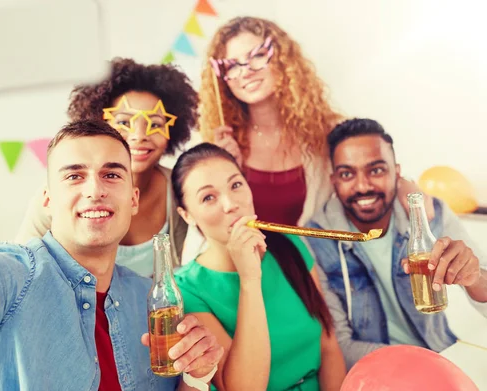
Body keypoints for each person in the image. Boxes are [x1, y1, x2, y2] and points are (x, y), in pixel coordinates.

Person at [0, 1, 223, 390]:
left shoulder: (144, 300)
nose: (94, 189)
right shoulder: (11, 277)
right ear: (46, 199)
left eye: (111, 174)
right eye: (74, 175)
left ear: (132, 198)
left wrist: (199, 377)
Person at [197, 16, 431, 228]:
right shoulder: (221, 142)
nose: (245, 72)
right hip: (246, 269)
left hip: (314, 269)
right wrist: (223, 169)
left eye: (257, 56)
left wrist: (406, 185)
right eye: (232, 65)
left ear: (281, 59)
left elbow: (373, 169)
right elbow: (206, 221)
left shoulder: (326, 131)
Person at [305, 118, 487, 369]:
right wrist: (418, 365)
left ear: (397, 172)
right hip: (376, 373)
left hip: (443, 358)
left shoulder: (431, 214)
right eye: (347, 173)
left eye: (376, 170)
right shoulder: (316, 240)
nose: (363, 186)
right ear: (334, 180)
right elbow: (338, 347)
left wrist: (474, 277)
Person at [170, 143, 346, 391]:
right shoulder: (186, 289)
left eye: (236, 185)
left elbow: (328, 347)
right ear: (187, 214)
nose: (231, 204)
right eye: (208, 197)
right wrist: (249, 279)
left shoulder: (290, 245)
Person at [16, 58, 198, 275]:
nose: (140, 135)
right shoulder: (57, 196)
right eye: (123, 122)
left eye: (155, 124)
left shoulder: (182, 190)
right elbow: (22, 267)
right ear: (99, 124)